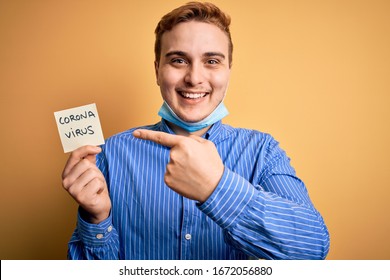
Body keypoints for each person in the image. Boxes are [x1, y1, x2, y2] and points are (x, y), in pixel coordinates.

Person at [62, 1, 330, 260]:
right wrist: (96, 220)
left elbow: (312, 249)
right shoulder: (109, 154)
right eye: (178, 60)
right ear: (157, 71)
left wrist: (216, 189)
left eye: (212, 61)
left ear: (228, 71)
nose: (194, 78)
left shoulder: (262, 151)